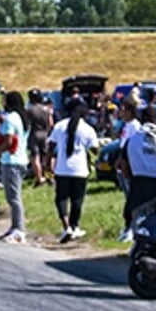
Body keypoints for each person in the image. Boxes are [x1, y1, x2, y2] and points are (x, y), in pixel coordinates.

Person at [118, 105, 156, 240]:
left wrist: (129, 179)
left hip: (140, 181)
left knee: (135, 212)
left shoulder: (133, 139)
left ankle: (133, 234)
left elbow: (124, 163)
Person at [48, 99, 93, 243]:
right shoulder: (87, 129)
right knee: (77, 200)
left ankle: (66, 225)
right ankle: (75, 226)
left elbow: (51, 146)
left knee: (61, 198)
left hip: (62, 168)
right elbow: (95, 147)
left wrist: (48, 162)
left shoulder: (59, 126)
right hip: (80, 169)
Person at [0, 91, 28, 244]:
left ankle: (19, 229)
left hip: (11, 160)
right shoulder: (21, 118)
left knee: (13, 197)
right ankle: (14, 226)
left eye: (5, 101)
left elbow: (8, 140)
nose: (3, 104)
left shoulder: (11, 119)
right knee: (13, 196)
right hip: (20, 159)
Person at [24, 91, 54, 186]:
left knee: (35, 157)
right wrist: (47, 132)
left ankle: (39, 178)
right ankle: (49, 176)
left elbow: (26, 124)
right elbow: (51, 123)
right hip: (44, 134)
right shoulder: (46, 109)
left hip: (34, 133)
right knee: (46, 156)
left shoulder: (29, 110)